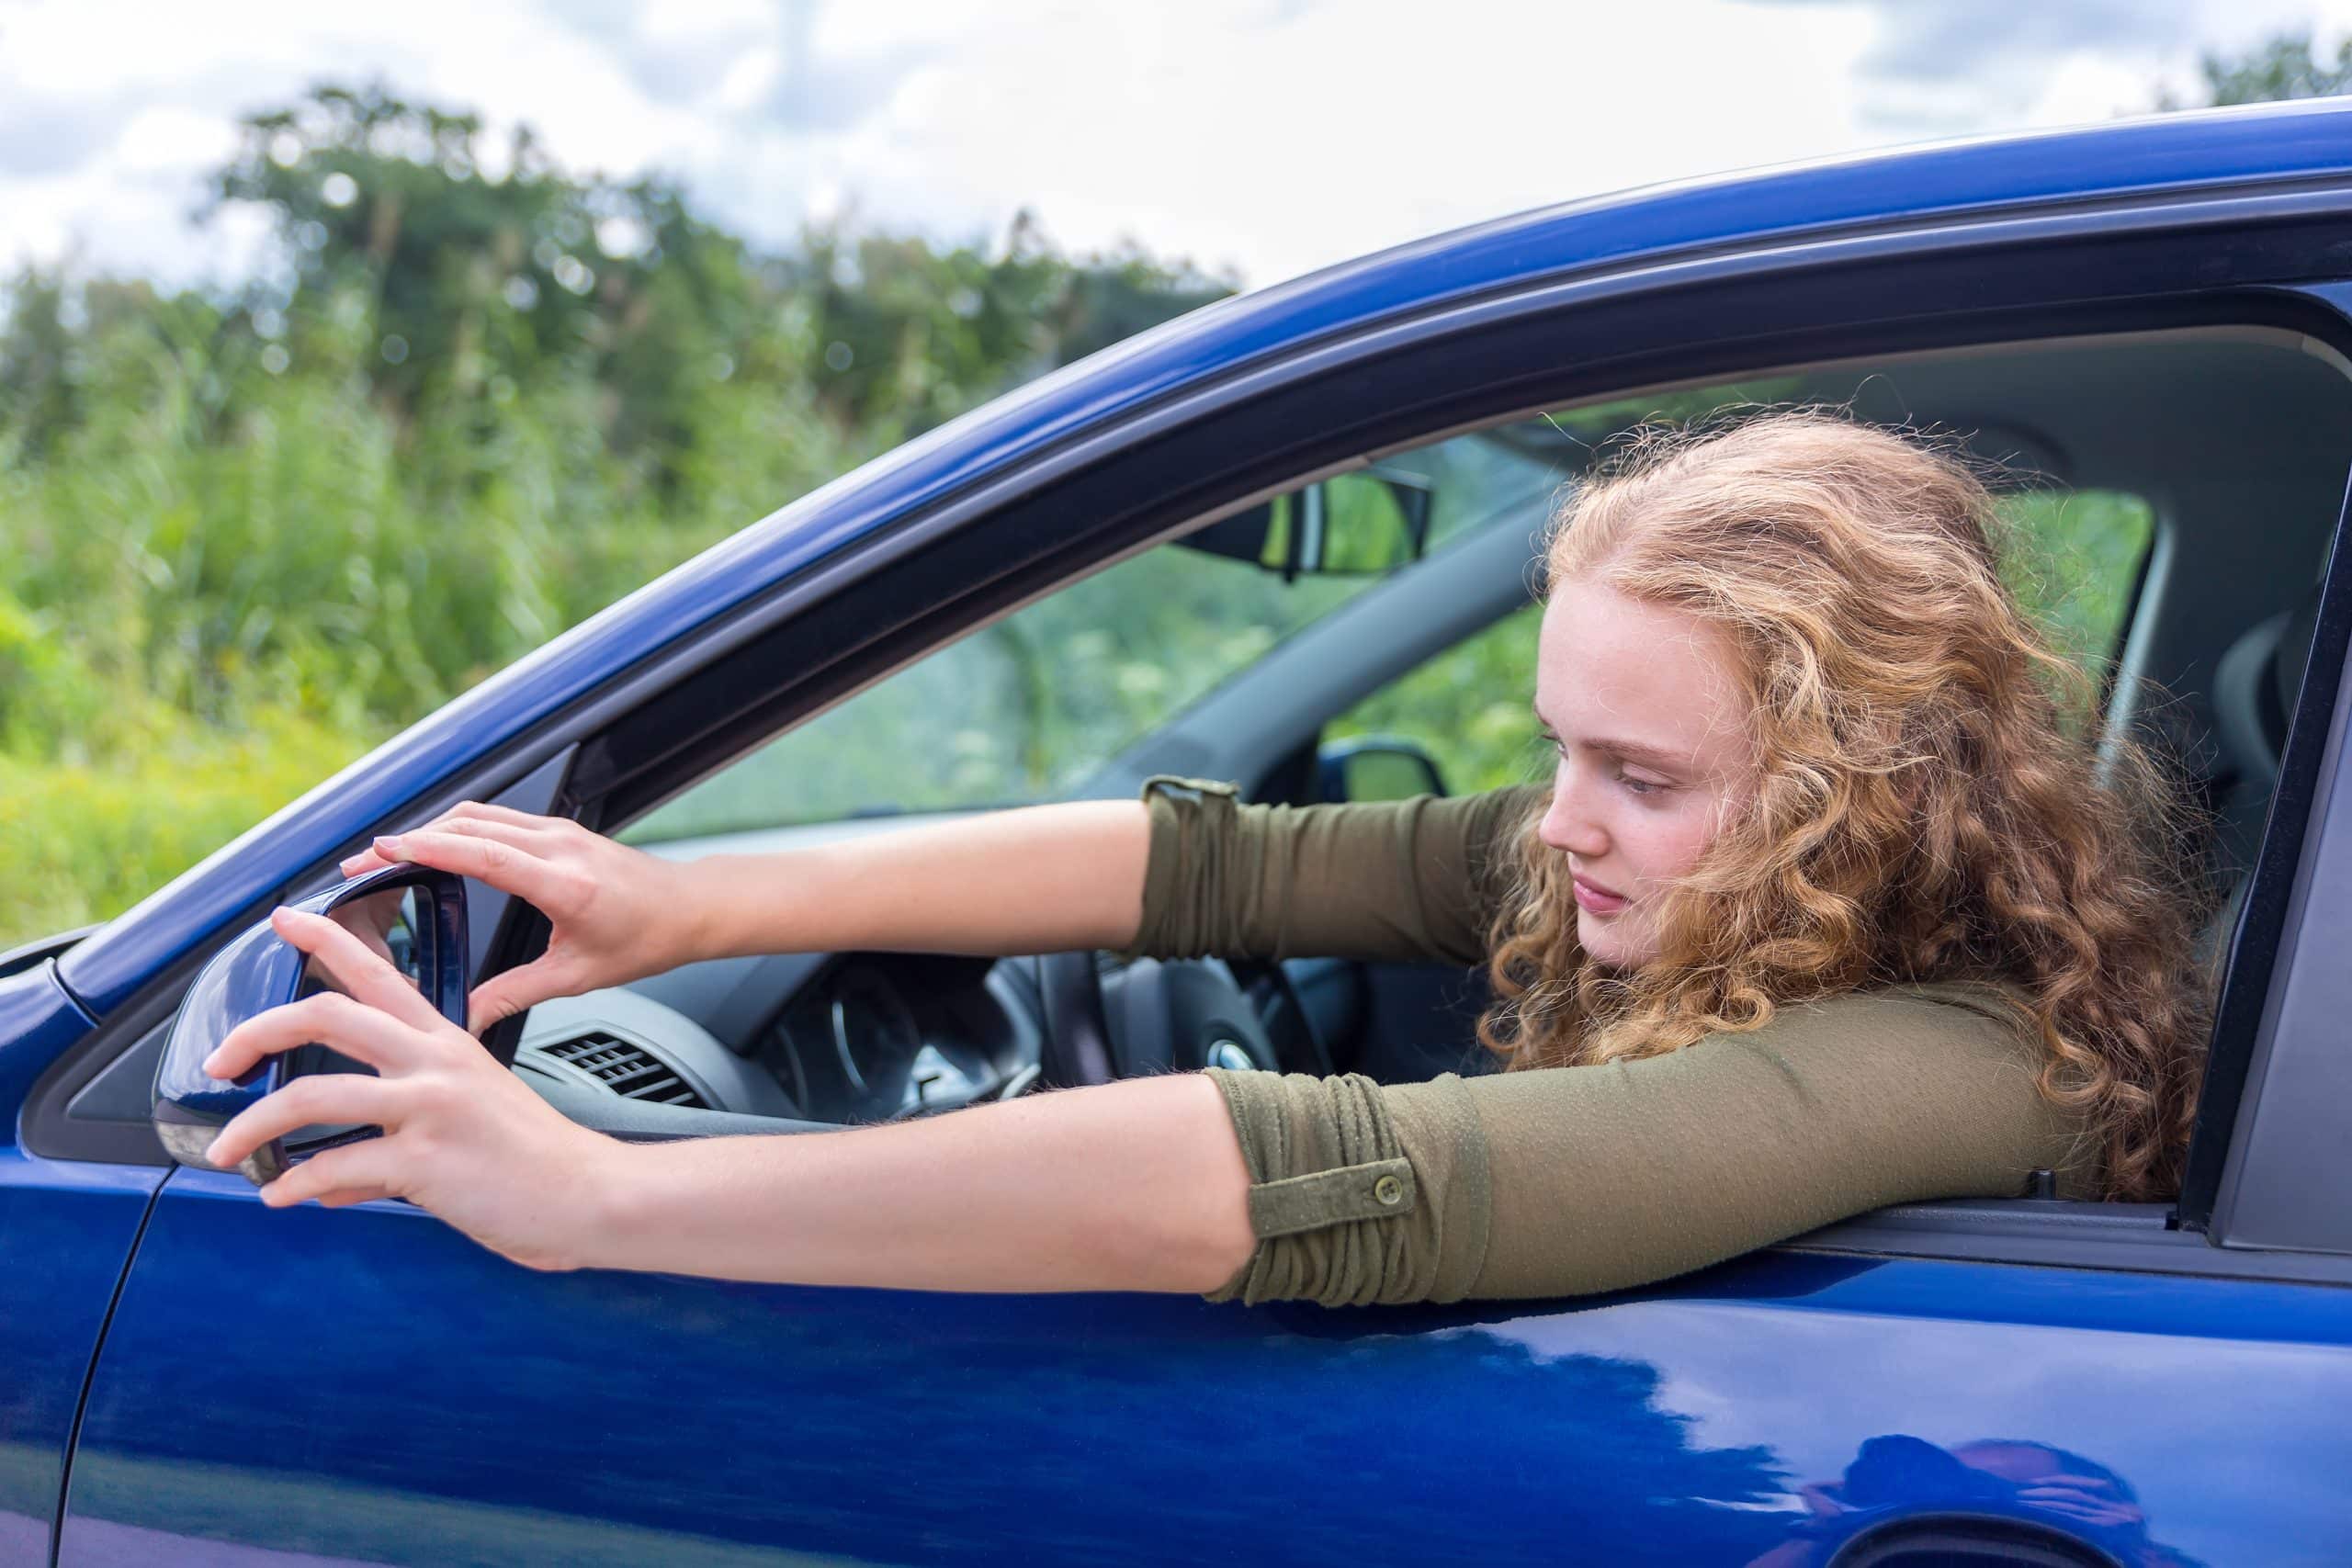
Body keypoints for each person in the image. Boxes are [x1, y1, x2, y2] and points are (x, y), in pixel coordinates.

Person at [199, 411, 2212, 1306]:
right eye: (1553, 747)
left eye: (1640, 768)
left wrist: (586, 1192)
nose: (1564, 816)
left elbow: (1340, 1178)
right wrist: (692, 901)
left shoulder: (1969, 1058)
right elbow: (1209, 875)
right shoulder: (1687, 864)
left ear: (1855, 779)